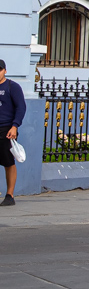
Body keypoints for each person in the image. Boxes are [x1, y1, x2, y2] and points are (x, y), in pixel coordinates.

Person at [0, 60, 27, 206]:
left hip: (6, 129)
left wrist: (15, 126)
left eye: (0, 70)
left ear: (5, 71)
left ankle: (9, 195)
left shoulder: (12, 87)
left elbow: (21, 107)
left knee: (8, 162)